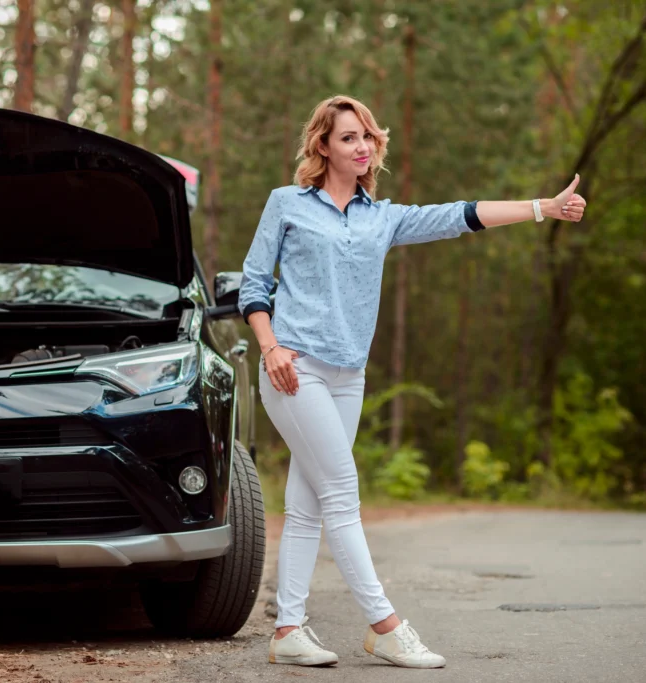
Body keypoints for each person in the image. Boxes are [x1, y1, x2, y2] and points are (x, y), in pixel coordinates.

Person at [238, 95, 585, 670]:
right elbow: (253, 284)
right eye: (350, 137)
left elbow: (461, 215)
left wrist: (541, 207)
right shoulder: (287, 204)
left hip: (349, 376)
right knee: (342, 492)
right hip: (294, 370)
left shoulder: (383, 217)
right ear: (322, 145)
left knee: (307, 504)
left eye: (369, 136)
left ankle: (288, 630)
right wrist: (270, 346)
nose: (363, 146)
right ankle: (386, 626)